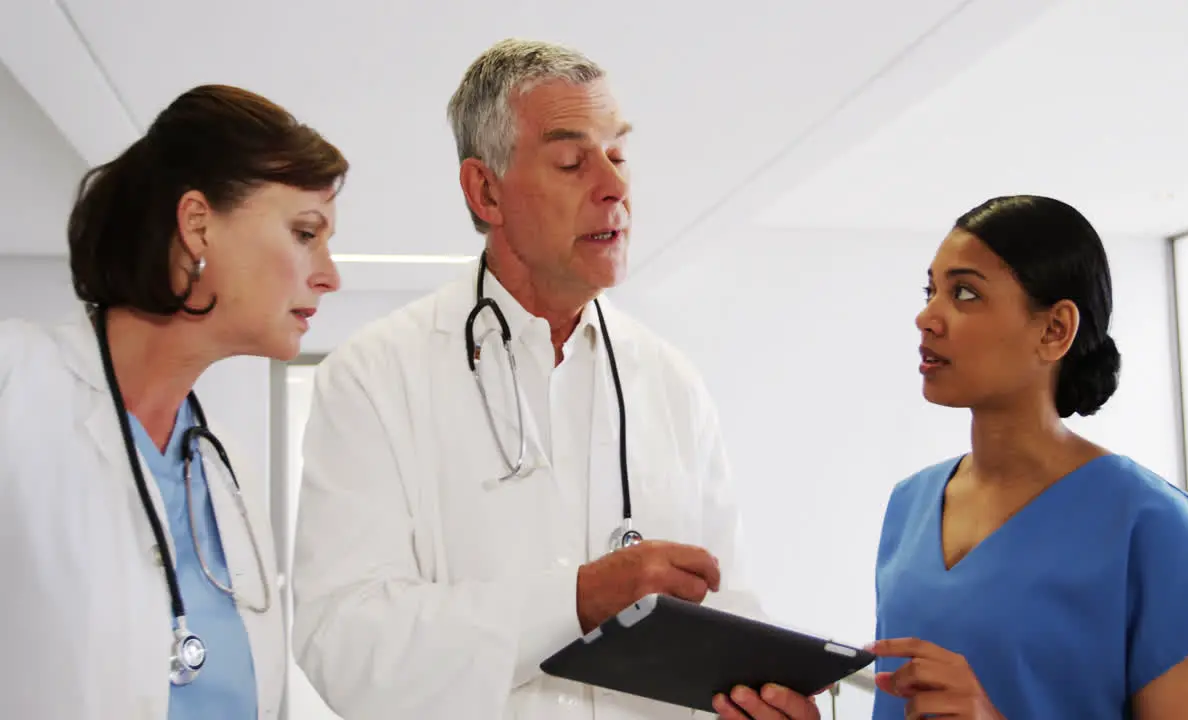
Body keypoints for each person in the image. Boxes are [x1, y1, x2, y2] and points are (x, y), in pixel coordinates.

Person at [290, 38, 763, 719]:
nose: (615, 187)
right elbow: (343, 646)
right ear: (486, 191)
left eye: (619, 155)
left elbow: (728, 611)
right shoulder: (374, 376)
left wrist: (755, 696)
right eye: (573, 161)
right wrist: (574, 599)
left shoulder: (672, 385)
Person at [0, 84, 346, 719]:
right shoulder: (15, 383)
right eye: (305, 233)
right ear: (197, 226)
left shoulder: (227, 472)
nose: (330, 274)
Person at [864, 196, 1188, 719]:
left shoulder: (1155, 528)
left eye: (964, 293)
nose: (927, 316)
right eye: (930, 289)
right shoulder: (908, 506)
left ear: (1055, 330)